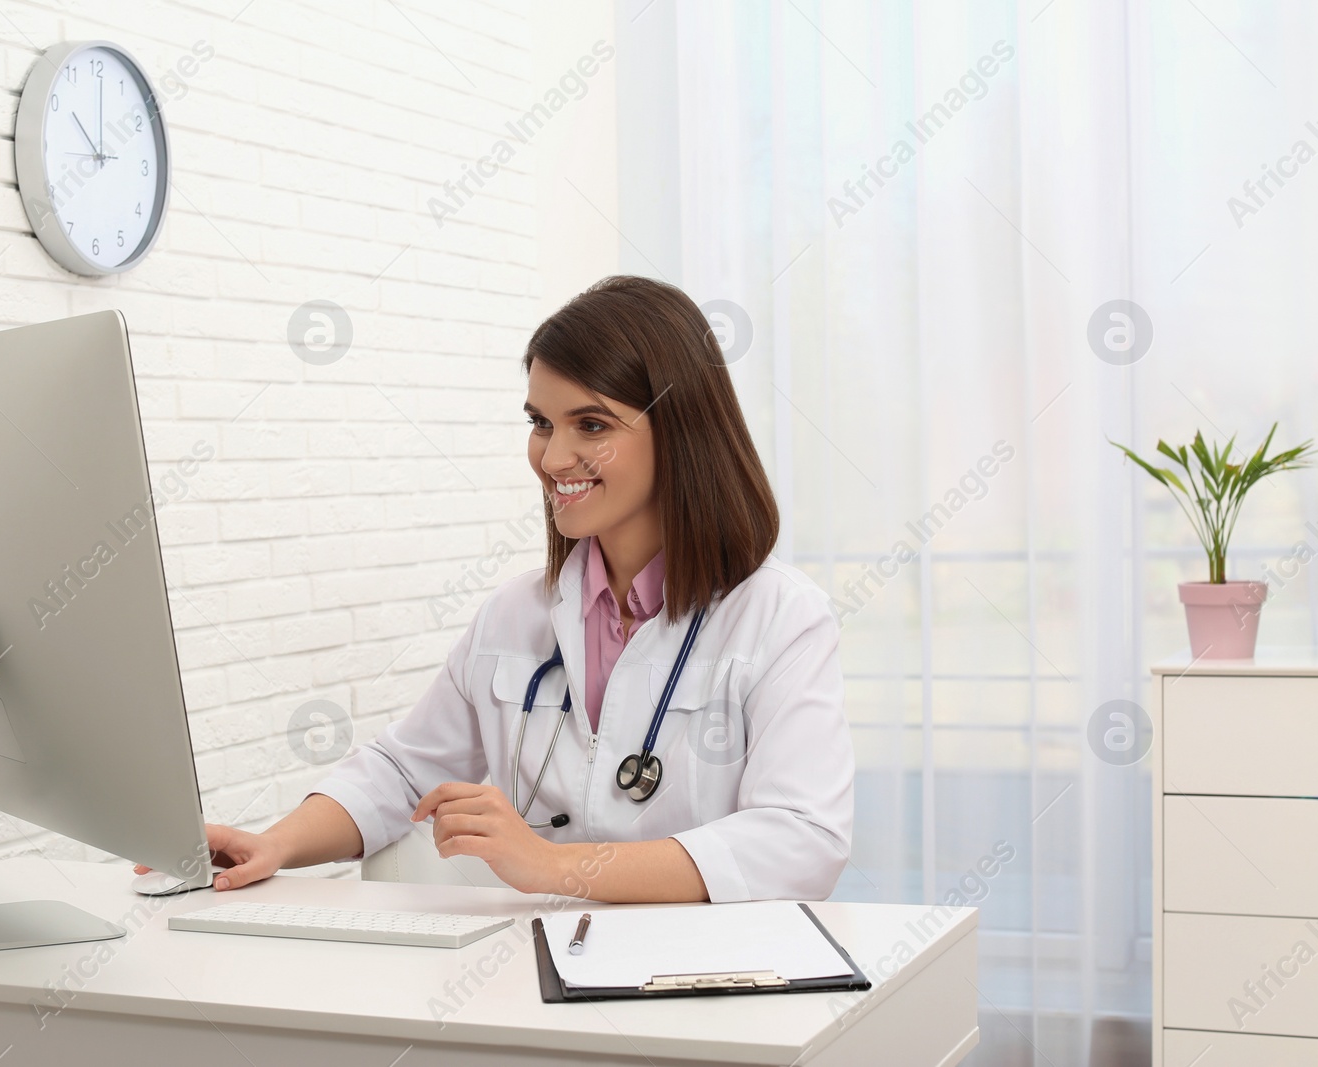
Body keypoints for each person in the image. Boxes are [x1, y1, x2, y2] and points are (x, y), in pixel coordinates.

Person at [137, 275, 853, 903]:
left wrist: (555, 865)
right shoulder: (517, 615)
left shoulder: (780, 617)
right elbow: (399, 770)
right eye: (541, 422)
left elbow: (802, 839)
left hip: (706, 992)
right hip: (539, 980)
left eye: (592, 424)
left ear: (682, 433)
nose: (554, 455)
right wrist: (276, 844)